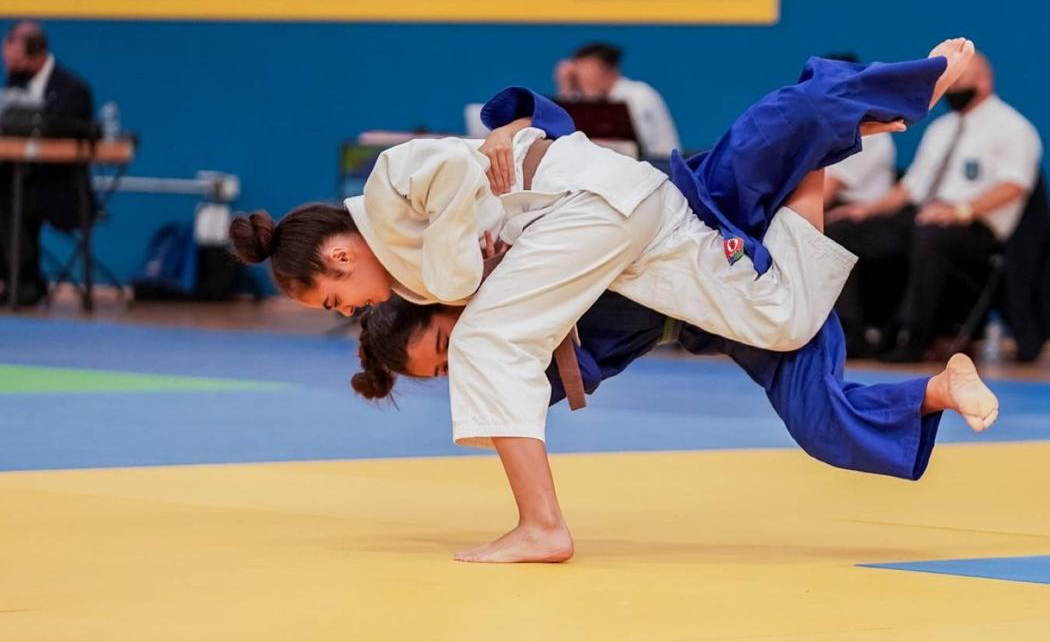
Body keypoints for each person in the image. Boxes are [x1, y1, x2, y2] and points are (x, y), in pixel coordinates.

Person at [231, 39, 979, 562]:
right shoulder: (418, 275)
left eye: (334, 300)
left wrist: (503, 145)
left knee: (490, 341)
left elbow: (472, 173)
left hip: (601, 206)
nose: (348, 311)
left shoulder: (389, 187)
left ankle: (541, 526)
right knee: (780, 320)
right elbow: (478, 286)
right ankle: (822, 164)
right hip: (636, 232)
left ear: (338, 256)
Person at [825, 52, 1043, 361]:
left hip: (974, 227)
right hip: (924, 217)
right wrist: (865, 211)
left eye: (958, 82)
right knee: (841, 231)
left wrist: (961, 211)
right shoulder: (940, 128)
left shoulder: (1013, 128)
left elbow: (1015, 185)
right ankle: (851, 332)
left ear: (983, 82)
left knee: (930, 235)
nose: (951, 89)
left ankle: (912, 336)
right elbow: (910, 188)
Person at [0, 21, 94, 307]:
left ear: (36, 54)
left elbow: (75, 130)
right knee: (6, 196)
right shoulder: (15, 83)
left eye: (17, 60)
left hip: (61, 190)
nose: (12, 67)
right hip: (20, 181)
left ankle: (24, 282)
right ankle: (16, 280)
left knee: (8, 202)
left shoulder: (72, 89)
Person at [553, 42, 682, 158]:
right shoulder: (583, 99)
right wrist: (566, 87)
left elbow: (636, 148)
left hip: (658, 166)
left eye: (584, 70)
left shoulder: (638, 95)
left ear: (602, 68)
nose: (579, 77)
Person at [820, 54, 898, 228]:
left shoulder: (870, 132)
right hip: (830, 206)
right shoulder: (823, 128)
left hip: (864, 217)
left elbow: (826, 193)